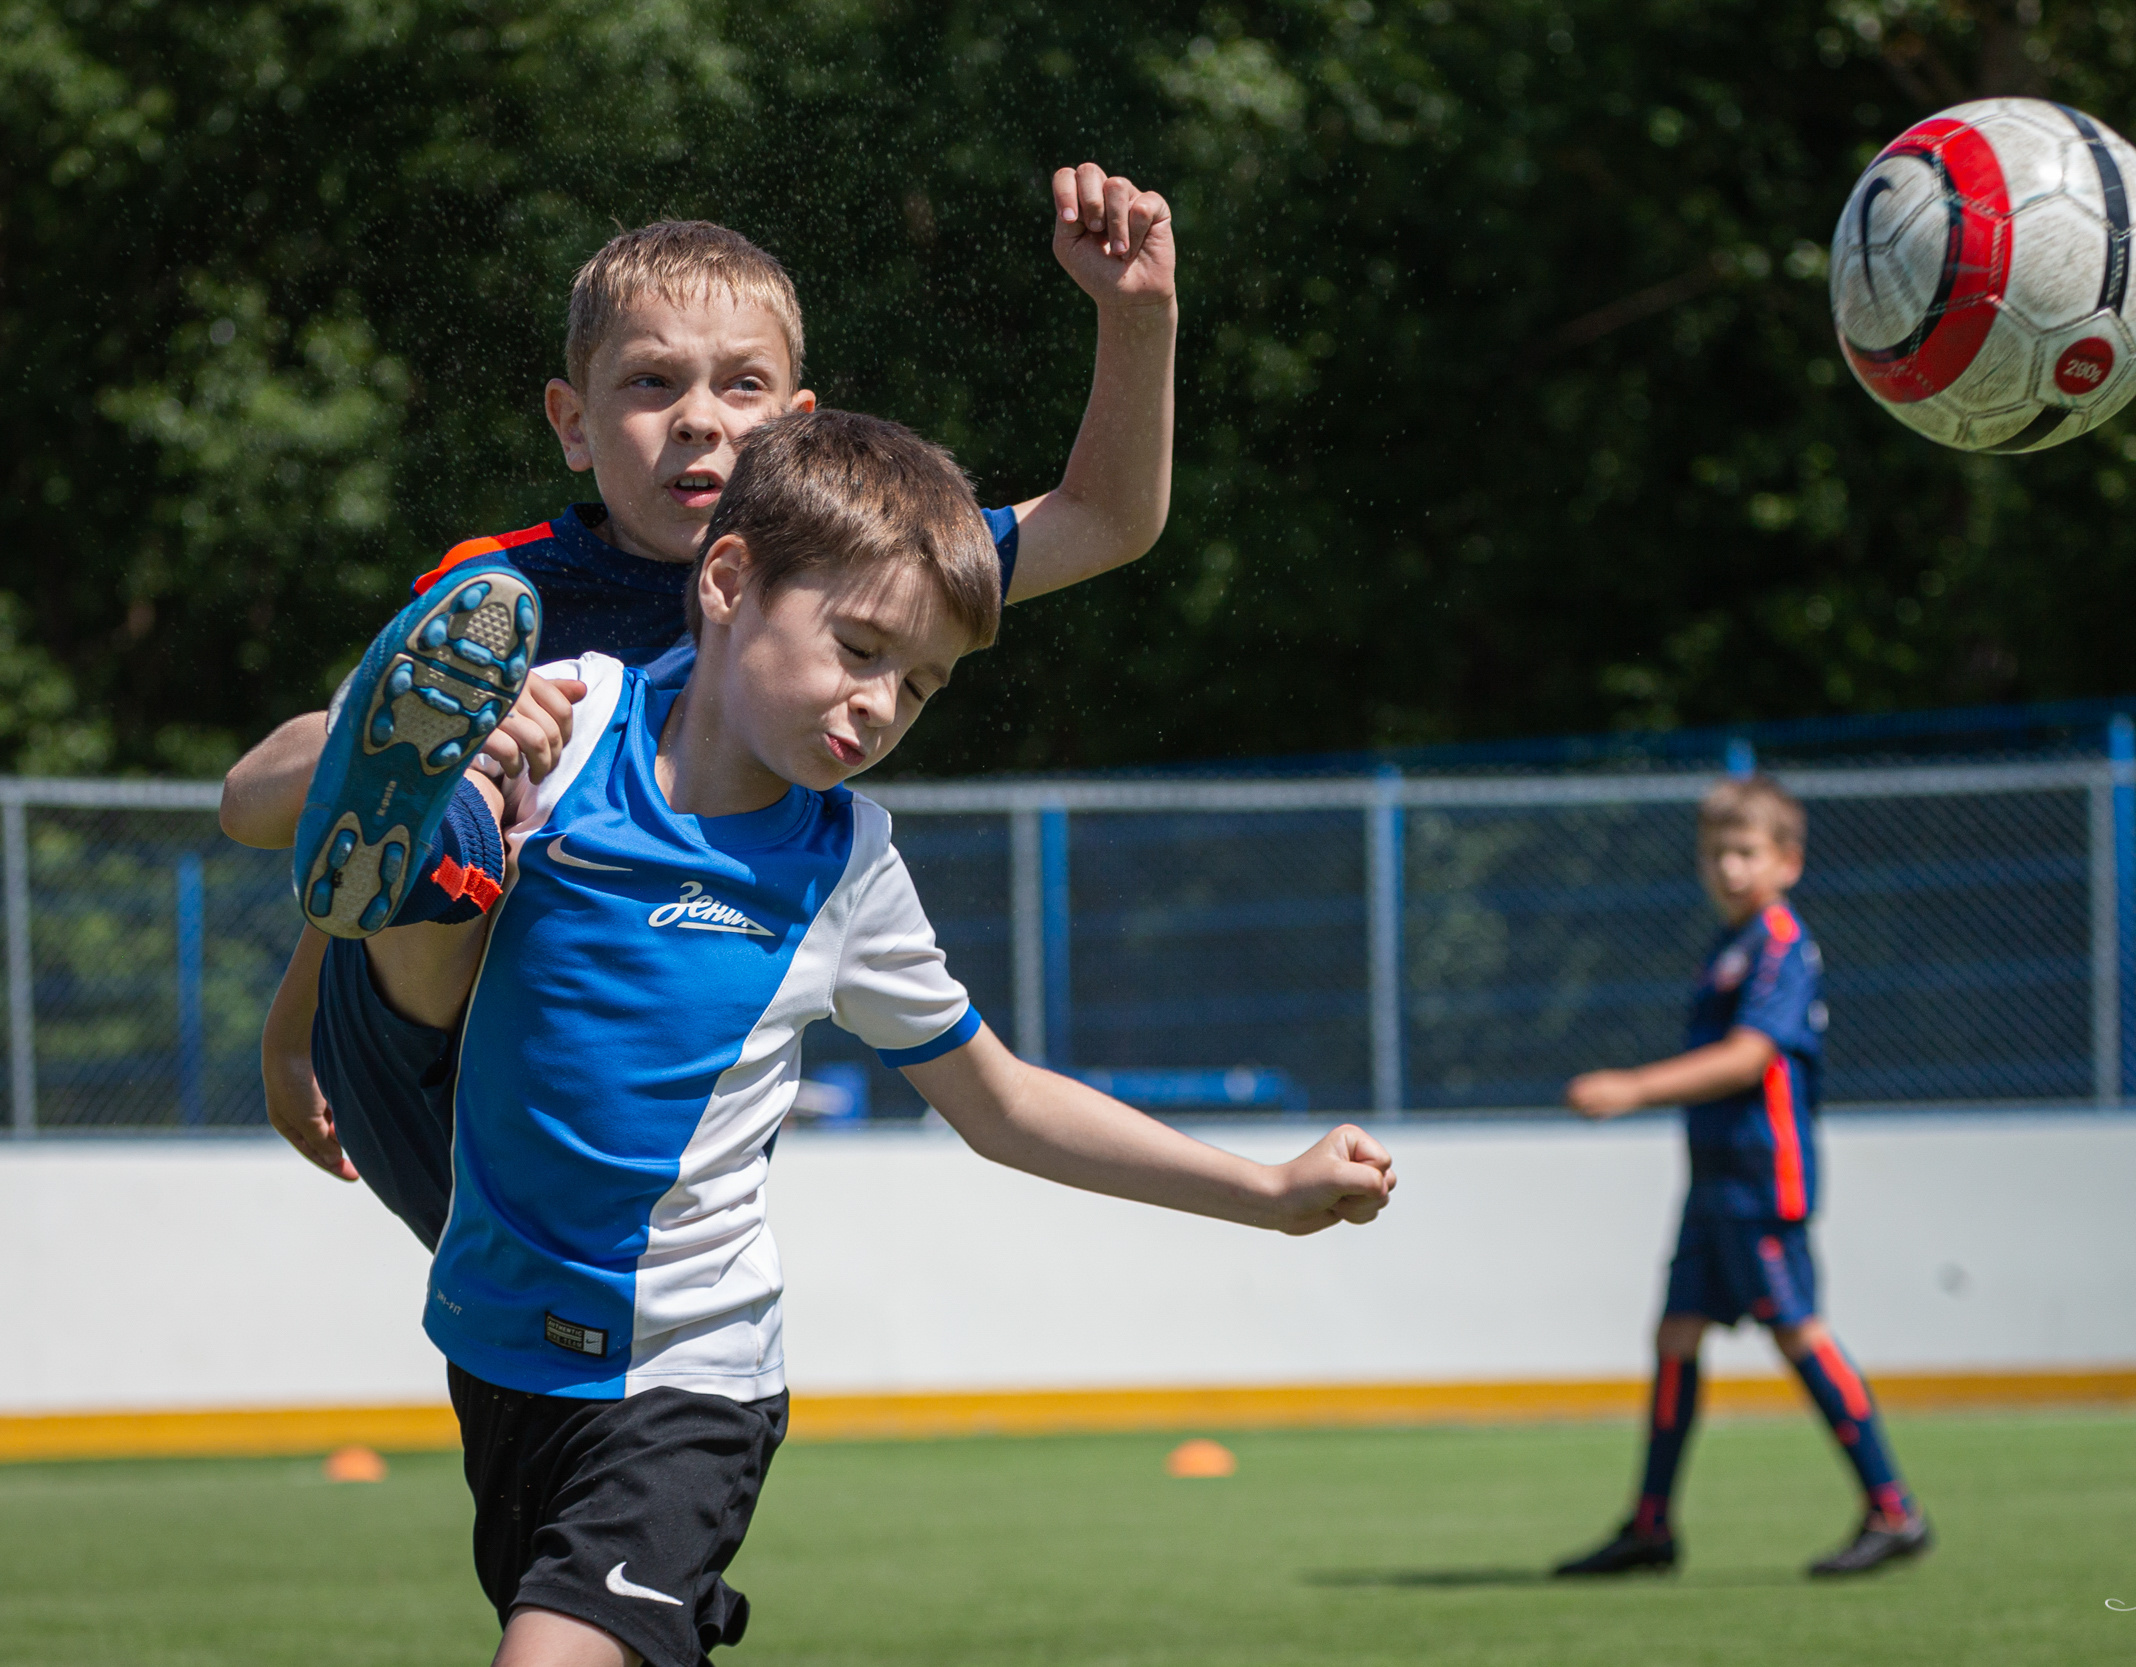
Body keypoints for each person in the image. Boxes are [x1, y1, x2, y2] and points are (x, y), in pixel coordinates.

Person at [237, 407, 1398, 1667]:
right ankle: (440, 829)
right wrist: (467, 761)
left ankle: (434, 847)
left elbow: (1003, 1103)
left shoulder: (847, 869)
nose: (882, 702)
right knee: (452, 837)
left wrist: (1266, 1189)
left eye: (920, 683)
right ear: (727, 581)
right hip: (500, 1347)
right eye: (859, 648)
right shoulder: (566, 727)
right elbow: (268, 811)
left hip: (685, 1378)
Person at [224, 168, 1177, 1247]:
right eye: (650, 385)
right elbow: (297, 805)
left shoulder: (855, 570)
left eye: (741, 387)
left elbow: (1104, 520)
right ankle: (465, 768)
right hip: (433, 1073)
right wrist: (294, 1029)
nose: (698, 422)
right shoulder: (500, 594)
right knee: (456, 770)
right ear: (572, 423)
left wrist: (1136, 314)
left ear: (795, 428)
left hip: (623, 1137)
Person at [1552, 775, 1931, 1579]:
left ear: (1787, 861)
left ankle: (1895, 1510)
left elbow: (1751, 1055)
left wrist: (1634, 1087)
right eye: (1717, 852)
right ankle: (1651, 1526)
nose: (1728, 867)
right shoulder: (1727, 947)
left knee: (1799, 1329)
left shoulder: (1781, 942)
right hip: (1714, 1179)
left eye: (1746, 852)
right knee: (1676, 1335)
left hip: (1764, 1177)